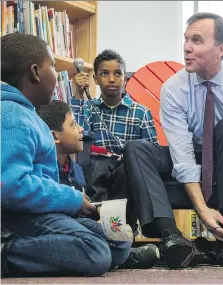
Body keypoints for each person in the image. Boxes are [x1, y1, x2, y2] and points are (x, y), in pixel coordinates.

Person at [121, 12, 223, 268]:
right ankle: (172, 238)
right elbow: (181, 155)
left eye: (197, 40)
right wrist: (202, 211)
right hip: (190, 153)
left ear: (221, 49)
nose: (187, 47)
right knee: (136, 149)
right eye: (186, 39)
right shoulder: (173, 88)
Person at [1, 33, 130, 277]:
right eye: (54, 66)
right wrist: (70, 198)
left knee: (118, 238)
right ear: (36, 73)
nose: (56, 74)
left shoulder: (27, 114)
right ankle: (8, 253)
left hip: (37, 212)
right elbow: (10, 187)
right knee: (95, 251)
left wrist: (70, 202)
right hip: (15, 217)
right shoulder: (11, 116)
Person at [35, 100, 160, 270]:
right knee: (110, 243)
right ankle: (121, 257)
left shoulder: (76, 170)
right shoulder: (43, 168)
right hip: (57, 224)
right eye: (73, 125)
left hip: (76, 223)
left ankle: (116, 254)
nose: (81, 129)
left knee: (120, 238)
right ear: (55, 136)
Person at [72, 49, 158, 201]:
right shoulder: (89, 108)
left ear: (125, 79)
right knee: (96, 165)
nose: (111, 79)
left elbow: (152, 154)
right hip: (96, 176)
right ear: (95, 79)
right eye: (104, 74)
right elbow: (75, 137)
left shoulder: (141, 112)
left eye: (117, 74)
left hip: (127, 176)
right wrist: (79, 94)